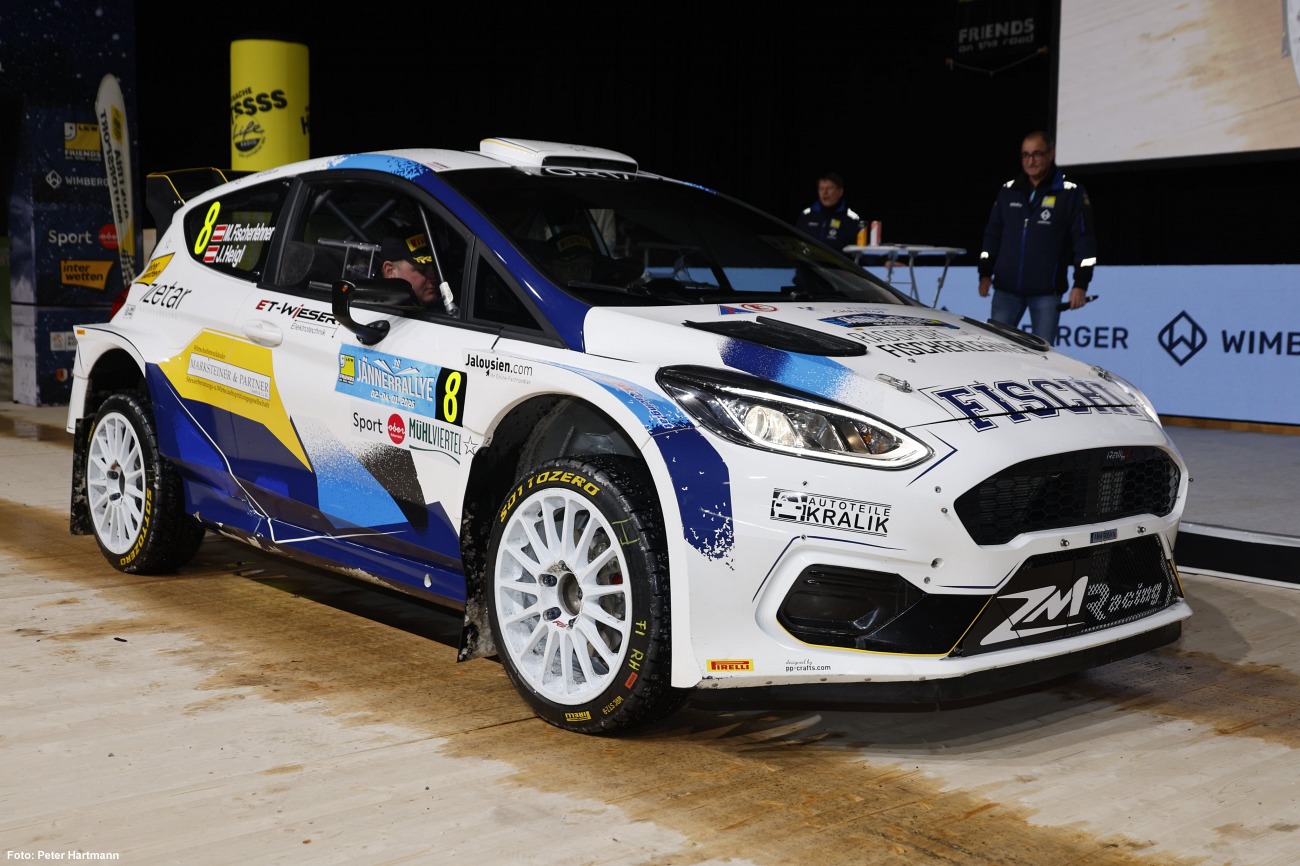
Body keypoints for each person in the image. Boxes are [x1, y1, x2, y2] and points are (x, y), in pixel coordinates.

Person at [977, 131, 1096, 345]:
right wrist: (985, 272)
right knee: (995, 349)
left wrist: (1081, 284)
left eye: (1037, 154)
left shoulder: (1070, 192)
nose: (1030, 161)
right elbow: (992, 234)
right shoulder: (1009, 190)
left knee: (1041, 355)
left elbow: (1084, 241)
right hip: (1005, 290)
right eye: (1025, 155)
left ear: (1051, 154)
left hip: (1046, 294)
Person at [794, 171, 865, 254]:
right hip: (807, 262)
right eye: (821, 188)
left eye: (829, 188)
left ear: (840, 191)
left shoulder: (852, 219)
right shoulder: (806, 215)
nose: (825, 192)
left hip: (837, 263)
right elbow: (795, 244)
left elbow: (861, 252)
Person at [378, 232, 451, 311]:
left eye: (435, 269)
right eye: (422, 270)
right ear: (390, 271)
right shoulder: (376, 313)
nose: (433, 276)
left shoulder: (447, 305)